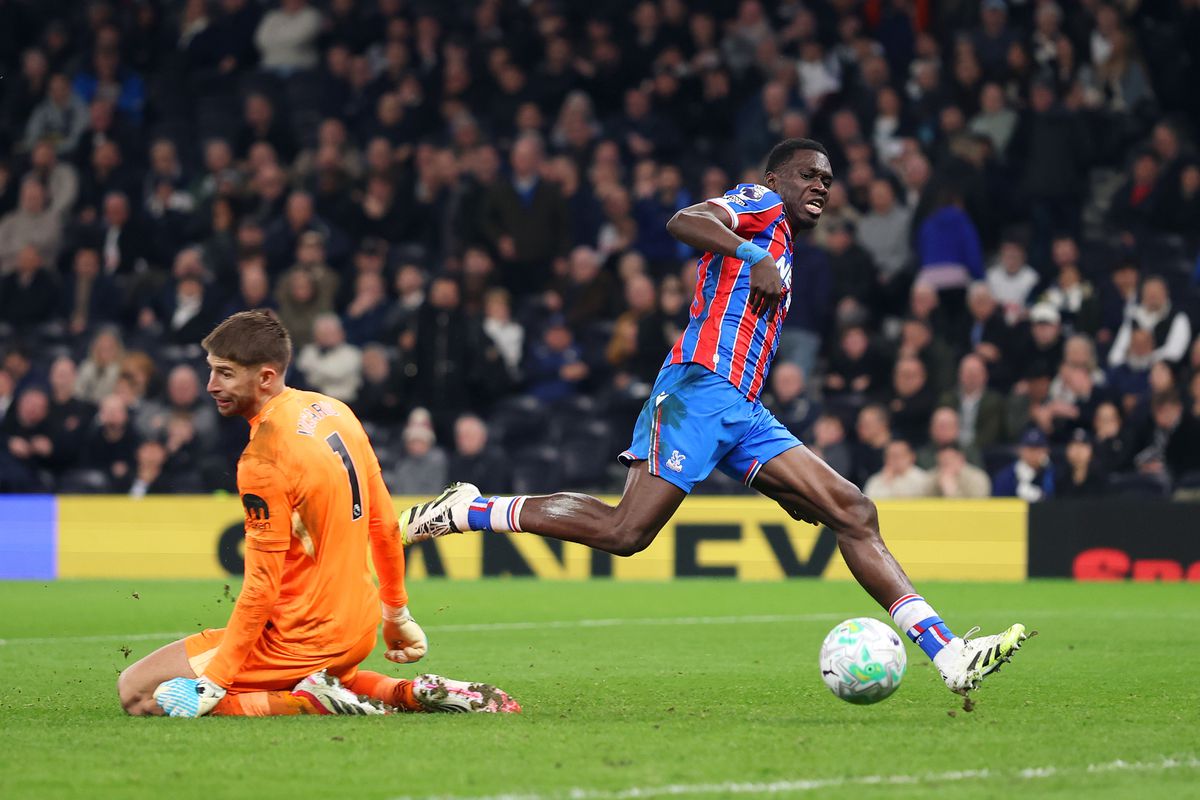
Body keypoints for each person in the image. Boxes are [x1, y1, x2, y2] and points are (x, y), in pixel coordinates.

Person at [400, 139, 1027, 696]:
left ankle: (949, 655)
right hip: (700, 388)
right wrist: (751, 253)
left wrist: (778, 483)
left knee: (853, 511)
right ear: (776, 179)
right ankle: (469, 509)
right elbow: (685, 220)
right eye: (808, 174)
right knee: (626, 532)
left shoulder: (786, 244)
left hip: (743, 409)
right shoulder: (760, 205)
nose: (820, 186)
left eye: (828, 180)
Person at [117, 311, 518, 718]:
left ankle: (309, 701)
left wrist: (216, 681)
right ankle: (406, 692)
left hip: (301, 639)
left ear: (265, 377)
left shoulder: (263, 459)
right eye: (211, 370)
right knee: (328, 673)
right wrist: (396, 613)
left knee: (138, 692)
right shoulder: (333, 410)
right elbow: (384, 525)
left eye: (225, 373)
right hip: (357, 628)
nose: (211, 385)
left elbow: (261, 587)